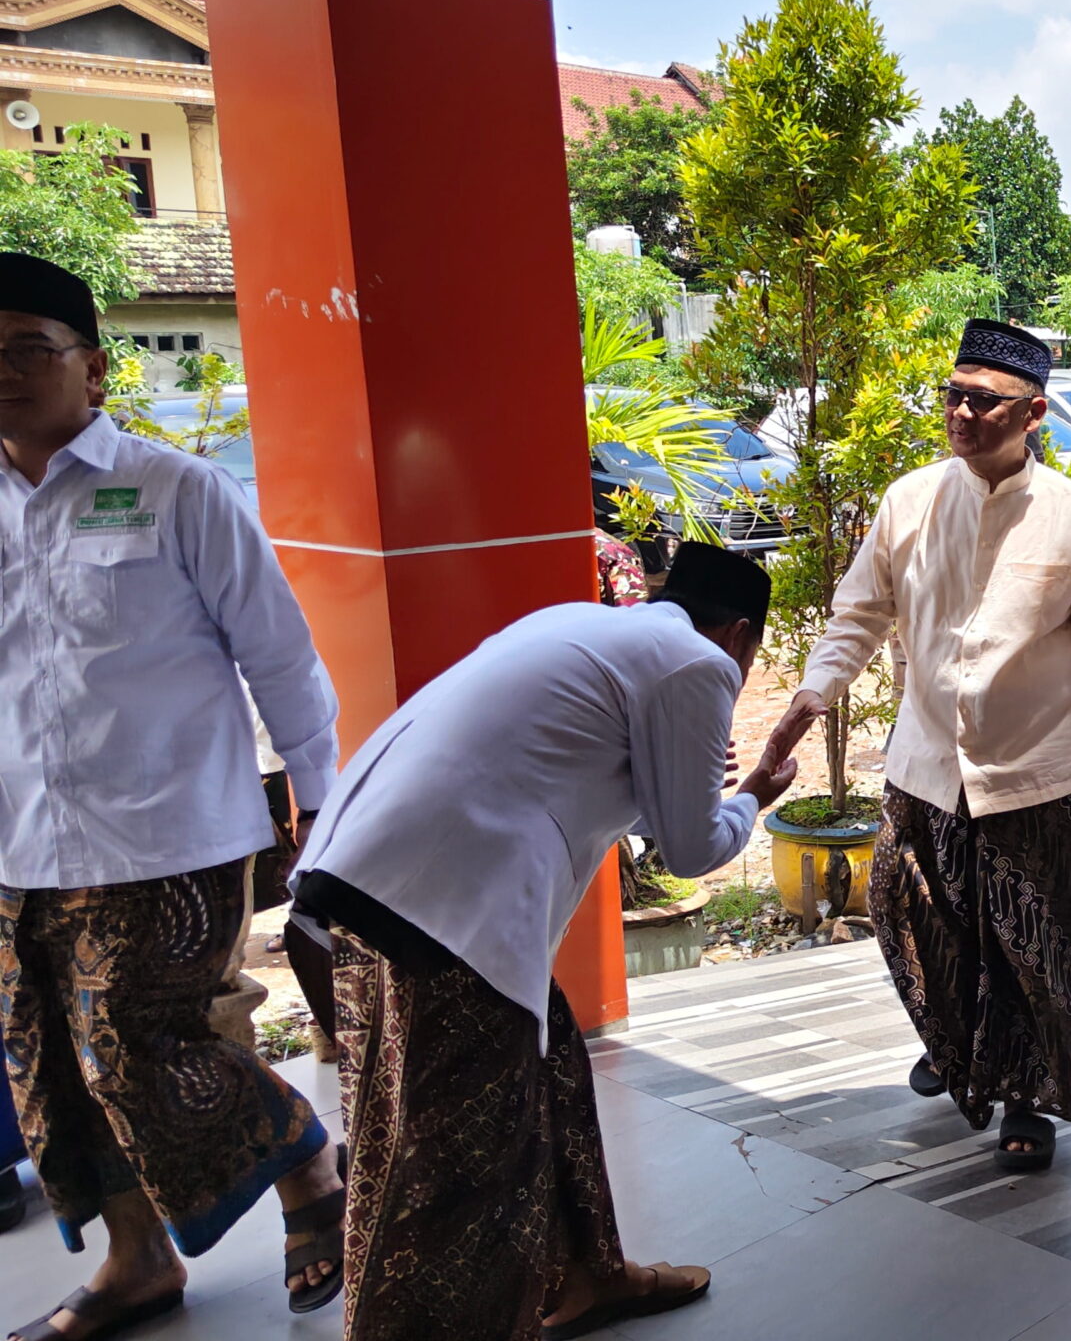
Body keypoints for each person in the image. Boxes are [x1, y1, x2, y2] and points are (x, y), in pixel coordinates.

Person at [291, 541, 793, 1341]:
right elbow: (693, 850)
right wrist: (754, 795)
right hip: (446, 915)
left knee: (552, 1070)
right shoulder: (699, 664)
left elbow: (562, 768)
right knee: (463, 1164)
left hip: (363, 879)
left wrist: (675, 784)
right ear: (738, 635)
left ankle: (590, 1276)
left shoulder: (588, 626)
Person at [0, 253, 350, 1335]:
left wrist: (321, 800)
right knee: (55, 1063)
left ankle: (307, 1166)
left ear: (94, 368)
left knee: (140, 1044)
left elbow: (280, 654)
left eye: (27, 349)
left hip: (167, 831)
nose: (3, 371)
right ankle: (137, 1261)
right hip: (18, 838)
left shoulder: (177, 490)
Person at [758, 318, 1071, 1171]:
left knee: (1030, 950)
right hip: (927, 767)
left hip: (1039, 774)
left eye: (984, 401)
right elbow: (859, 613)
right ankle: (956, 1043)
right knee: (912, 917)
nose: (962, 413)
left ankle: (1027, 1099)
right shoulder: (910, 500)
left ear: (1033, 414)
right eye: (954, 396)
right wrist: (816, 691)